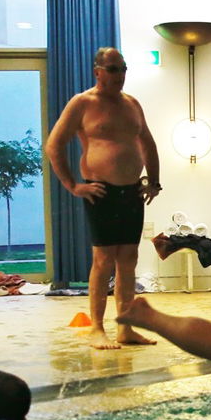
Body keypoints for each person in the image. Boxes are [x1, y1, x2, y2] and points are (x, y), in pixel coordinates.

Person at [46, 47, 162, 349]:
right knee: (103, 260)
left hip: (132, 191)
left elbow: (148, 143)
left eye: (123, 69)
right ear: (98, 71)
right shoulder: (82, 103)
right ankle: (97, 327)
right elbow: (53, 146)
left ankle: (126, 328)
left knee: (128, 260)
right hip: (100, 191)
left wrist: (155, 182)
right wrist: (73, 185)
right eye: (113, 69)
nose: (119, 75)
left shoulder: (132, 104)